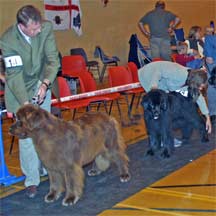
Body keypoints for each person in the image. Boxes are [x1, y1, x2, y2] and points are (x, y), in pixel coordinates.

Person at [0, 5, 60, 198]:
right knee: (27, 135)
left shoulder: (46, 28)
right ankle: (32, 180)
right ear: (22, 27)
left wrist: (45, 84)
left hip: (42, 80)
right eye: (34, 29)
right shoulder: (8, 40)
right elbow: (15, 76)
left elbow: (53, 59)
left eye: (39, 26)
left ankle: (50, 170)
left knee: (46, 130)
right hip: (20, 88)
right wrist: (26, 104)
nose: (38, 31)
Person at [138, 61, 212, 135]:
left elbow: (199, 97)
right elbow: (158, 71)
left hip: (162, 84)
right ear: (196, 82)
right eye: (201, 86)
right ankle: (161, 139)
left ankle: (165, 137)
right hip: (149, 74)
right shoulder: (179, 73)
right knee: (159, 112)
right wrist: (154, 87)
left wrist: (207, 118)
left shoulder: (192, 81)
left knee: (166, 110)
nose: (201, 89)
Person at [204, 34, 216, 125]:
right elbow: (208, 38)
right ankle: (213, 113)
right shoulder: (211, 38)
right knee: (212, 86)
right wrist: (208, 54)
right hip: (213, 61)